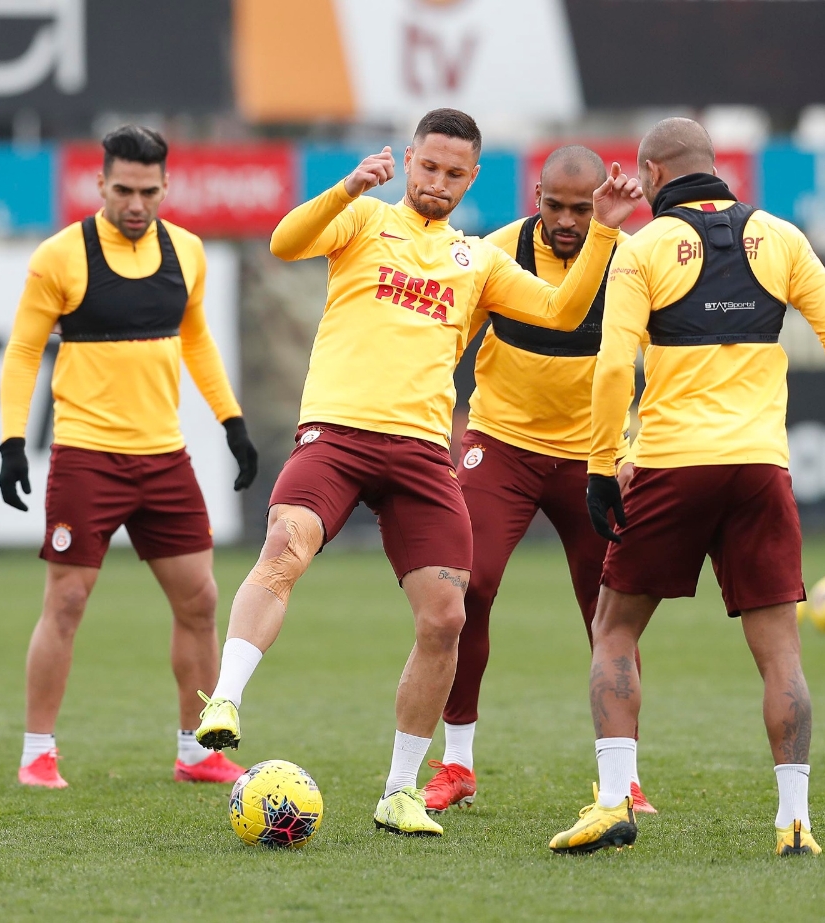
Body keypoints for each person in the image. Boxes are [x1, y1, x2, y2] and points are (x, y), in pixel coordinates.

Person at [194, 108, 643, 837]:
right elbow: (284, 241)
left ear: (472, 179)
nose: (438, 181)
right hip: (338, 433)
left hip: (421, 452)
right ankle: (225, 699)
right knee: (284, 545)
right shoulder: (364, 219)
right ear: (407, 160)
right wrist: (347, 186)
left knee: (447, 616)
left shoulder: (478, 260)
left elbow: (562, 312)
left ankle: (400, 790)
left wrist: (603, 232)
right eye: (428, 166)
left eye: (454, 173)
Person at [548, 118, 825, 856]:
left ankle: (613, 801)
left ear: (652, 174)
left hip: (672, 464)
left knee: (614, 629)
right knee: (781, 652)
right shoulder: (782, 237)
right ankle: (794, 822)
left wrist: (602, 464)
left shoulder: (641, 249)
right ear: (714, 166)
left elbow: (613, 367)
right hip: (760, 468)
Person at [0, 125, 258, 789]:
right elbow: (24, 352)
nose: (136, 203)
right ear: (100, 185)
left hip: (164, 458)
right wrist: (11, 442)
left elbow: (196, 340)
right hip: (87, 457)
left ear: (166, 185)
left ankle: (196, 751)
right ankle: (37, 752)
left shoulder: (188, 252)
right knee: (67, 601)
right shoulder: (60, 257)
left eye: (148, 191)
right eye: (123, 190)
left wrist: (231, 422)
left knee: (200, 600)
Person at [420, 145, 655, 816]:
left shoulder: (630, 261)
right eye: (556, 206)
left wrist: (636, 449)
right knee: (466, 589)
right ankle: (457, 763)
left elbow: (665, 365)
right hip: (502, 448)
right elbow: (445, 347)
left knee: (609, 614)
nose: (568, 221)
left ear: (600, 204)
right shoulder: (495, 253)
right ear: (537, 198)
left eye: (582, 208)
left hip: (594, 459)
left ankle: (624, 779)